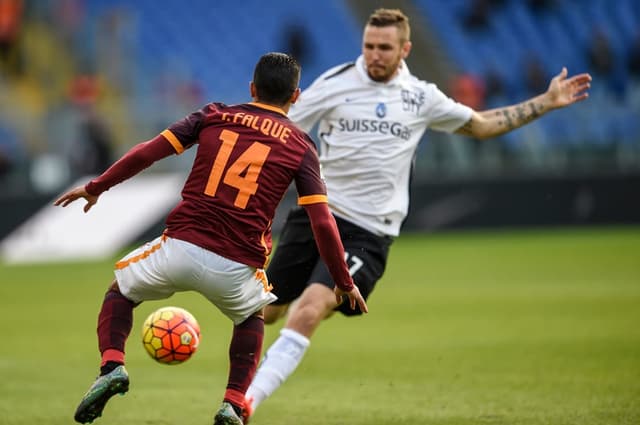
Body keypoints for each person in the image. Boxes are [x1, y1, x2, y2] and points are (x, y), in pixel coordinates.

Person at [243, 8, 591, 422]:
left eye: (384, 48)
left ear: (404, 49)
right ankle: (238, 386)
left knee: (310, 308)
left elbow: (480, 125)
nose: (374, 54)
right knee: (267, 310)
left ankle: (244, 404)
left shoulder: (421, 96)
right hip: (317, 216)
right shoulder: (335, 84)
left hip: (368, 232)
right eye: (369, 46)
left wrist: (545, 103)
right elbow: (279, 123)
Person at [54, 52, 367, 425]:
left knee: (119, 292)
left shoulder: (213, 115)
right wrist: (343, 282)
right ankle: (233, 403)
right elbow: (322, 222)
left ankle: (111, 367)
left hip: (180, 248)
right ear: (295, 97)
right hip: (237, 266)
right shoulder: (301, 146)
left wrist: (96, 187)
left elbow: (148, 152)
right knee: (251, 317)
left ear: (252, 88)